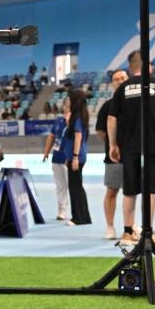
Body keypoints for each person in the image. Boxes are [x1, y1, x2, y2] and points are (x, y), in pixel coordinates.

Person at [107, 50, 155, 246]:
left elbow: (112, 118)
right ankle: (147, 233)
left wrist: (113, 144)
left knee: (129, 190)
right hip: (153, 145)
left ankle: (127, 233)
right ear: (147, 66)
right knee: (149, 189)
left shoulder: (122, 88)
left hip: (130, 146)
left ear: (130, 67)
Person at [97, 70, 128, 239]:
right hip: (114, 157)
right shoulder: (107, 106)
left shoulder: (137, 104)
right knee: (111, 192)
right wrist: (113, 144)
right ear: (112, 84)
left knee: (132, 193)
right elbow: (101, 131)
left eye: (123, 78)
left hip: (134, 154)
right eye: (116, 79)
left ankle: (130, 226)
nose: (120, 81)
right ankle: (110, 226)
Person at [63, 89, 91, 225]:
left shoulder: (77, 116)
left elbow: (78, 137)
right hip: (75, 156)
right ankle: (84, 217)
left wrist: (74, 157)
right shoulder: (78, 115)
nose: (67, 100)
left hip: (77, 157)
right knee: (77, 186)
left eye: (69, 98)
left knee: (75, 187)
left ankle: (78, 217)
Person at [42, 97, 70, 220]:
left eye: (70, 105)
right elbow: (51, 137)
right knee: (60, 186)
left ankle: (76, 211)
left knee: (71, 186)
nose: (67, 108)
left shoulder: (75, 120)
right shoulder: (58, 120)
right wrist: (46, 152)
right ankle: (61, 210)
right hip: (56, 157)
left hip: (68, 158)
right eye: (66, 105)